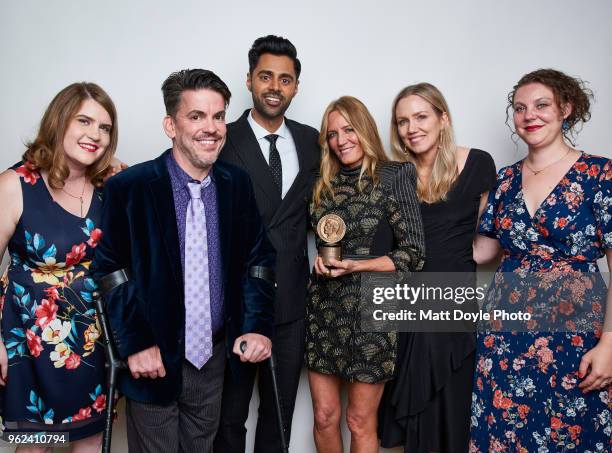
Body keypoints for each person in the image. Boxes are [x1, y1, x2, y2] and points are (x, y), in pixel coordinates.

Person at [91, 69, 276, 453]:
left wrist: (257, 326)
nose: (211, 128)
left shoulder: (236, 185)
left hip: (212, 362)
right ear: (170, 125)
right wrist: (136, 343)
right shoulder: (130, 188)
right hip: (152, 360)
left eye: (218, 116)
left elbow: (259, 259)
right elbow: (110, 271)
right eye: (196, 116)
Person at [470, 69, 612, 451]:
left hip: (576, 333)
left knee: (573, 433)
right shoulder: (505, 180)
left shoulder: (600, 174)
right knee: (504, 433)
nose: (529, 115)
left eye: (541, 105)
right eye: (519, 108)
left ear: (566, 108)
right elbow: (482, 252)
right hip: (504, 331)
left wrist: (610, 344)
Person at [214, 35, 319, 452]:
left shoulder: (313, 141)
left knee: (280, 414)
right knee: (229, 417)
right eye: (265, 76)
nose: (275, 86)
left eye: (285, 79)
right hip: (236, 303)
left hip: (292, 305)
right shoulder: (221, 137)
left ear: (295, 86)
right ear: (249, 81)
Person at [0, 82, 119, 452]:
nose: (95, 134)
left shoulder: (109, 186)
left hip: (92, 337)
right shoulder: (16, 184)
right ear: (59, 120)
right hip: (30, 337)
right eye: (84, 121)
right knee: (36, 444)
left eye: (104, 127)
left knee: (91, 441)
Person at [378, 83, 496, 452]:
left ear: (443, 118)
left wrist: (455, 262)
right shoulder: (394, 175)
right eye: (402, 121)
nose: (411, 128)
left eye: (421, 116)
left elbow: (488, 242)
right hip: (406, 302)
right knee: (409, 409)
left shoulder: (477, 162)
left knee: (451, 404)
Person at [306, 96, 425, 453]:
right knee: (325, 417)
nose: (341, 140)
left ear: (365, 129)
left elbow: (414, 253)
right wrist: (317, 261)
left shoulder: (394, 175)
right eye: (332, 134)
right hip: (324, 308)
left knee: (359, 420)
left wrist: (358, 266)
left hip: (373, 310)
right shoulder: (321, 182)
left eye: (349, 129)